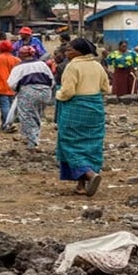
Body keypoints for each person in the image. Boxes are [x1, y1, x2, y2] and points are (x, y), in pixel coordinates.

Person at [55, 38, 111, 197]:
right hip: (95, 108)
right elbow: (106, 88)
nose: (67, 52)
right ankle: (81, 185)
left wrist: (57, 94)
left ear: (79, 51)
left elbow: (68, 92)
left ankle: (88, 174)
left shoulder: (72, 66)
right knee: (91, 144)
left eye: (69, 49)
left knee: (69, 143)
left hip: (75, 108)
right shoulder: (97, 65)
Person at [7, 45, 54, 150]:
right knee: (37, 114)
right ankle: (35, 137)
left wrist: (19, 90)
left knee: (27, 116)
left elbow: (11, 83)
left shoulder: (19, 67)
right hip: (45, 92)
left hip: (28, 92)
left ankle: (32, 141)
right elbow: (51, 79)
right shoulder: (42, 64)